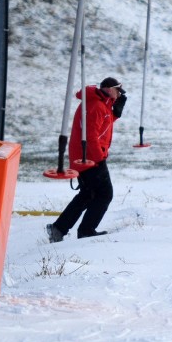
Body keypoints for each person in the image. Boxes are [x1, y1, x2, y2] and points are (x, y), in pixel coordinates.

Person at [47, 77, 127, 242]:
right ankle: (86, 231)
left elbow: (102, 125)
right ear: (109, 89)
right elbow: (91, 136)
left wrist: (115, 114)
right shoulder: (96, 105)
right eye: (118, 90)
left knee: (88, 194)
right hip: (89, 157)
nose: (119, 93)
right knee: (105, 194)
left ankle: (59, 228)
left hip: (87, 155)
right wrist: (99, 159)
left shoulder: (100, 103)